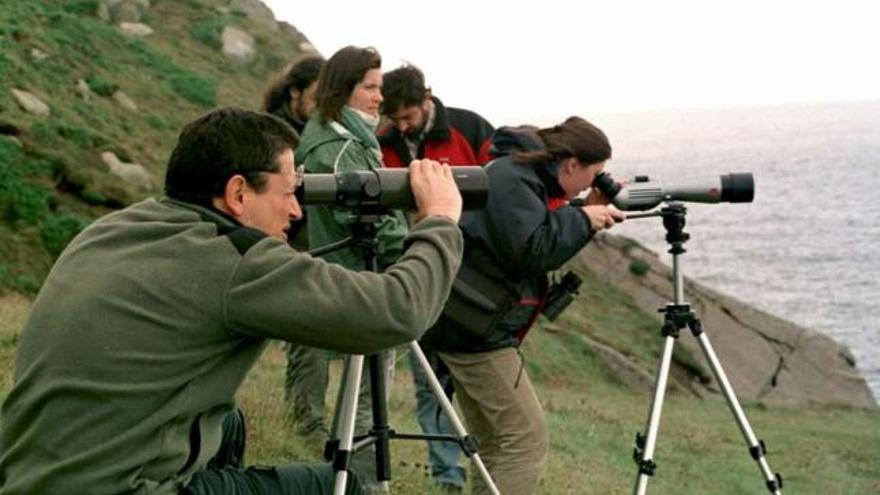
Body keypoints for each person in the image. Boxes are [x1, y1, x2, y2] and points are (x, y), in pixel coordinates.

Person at [0, 107, 465, 495]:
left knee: (231, 424)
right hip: (118, 488)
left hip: (31, 476)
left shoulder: (116, 227)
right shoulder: (235, 261)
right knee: (331, 486)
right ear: (238, 192)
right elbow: (398, 311)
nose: (297, 210)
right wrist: (440, 219)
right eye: (287, 192)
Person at [420, 116, 626, 495]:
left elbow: (529, 232)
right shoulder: (514, 179)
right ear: (571, 165)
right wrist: (582, 217)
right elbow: (533, 249)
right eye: (595, 173)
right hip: (474, 330)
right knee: (525, 440)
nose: (596, 180)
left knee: (497, 443)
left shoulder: (520, 175)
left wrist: (582, 210)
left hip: (465, 320)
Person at [291, 45, 406, 485]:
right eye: (371, 88)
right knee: (368, 399)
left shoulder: (340, 136)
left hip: (348, 272)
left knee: (362, 393)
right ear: (344, 89)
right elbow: (365, 220)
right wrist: (425, 235)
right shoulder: (338, 151)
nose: (380, 98)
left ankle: (343, 473)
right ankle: (362, 483)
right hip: (360, 278)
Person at [378, 63, 494, 492]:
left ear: (427, 100)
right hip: (419, 267)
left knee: (477, 380)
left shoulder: (472, 128)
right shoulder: (384, 141)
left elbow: (498, 191)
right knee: (430, 382)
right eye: (397, 120)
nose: (403, 127)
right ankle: (447, 478)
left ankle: (490, 465)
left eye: (409, 116)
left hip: (473, 275)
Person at [261, 55, 325, 136]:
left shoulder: (315, 137)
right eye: (316, 96)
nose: (321, 104)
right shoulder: (266, 129)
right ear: (295, 91)